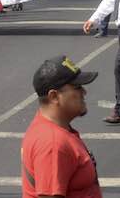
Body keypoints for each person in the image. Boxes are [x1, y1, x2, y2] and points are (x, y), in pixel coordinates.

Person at [21, 55, 102, 198]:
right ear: (54, 97)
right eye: (77, 87)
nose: (84, 92)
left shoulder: (55, 130)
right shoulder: (53, 144)